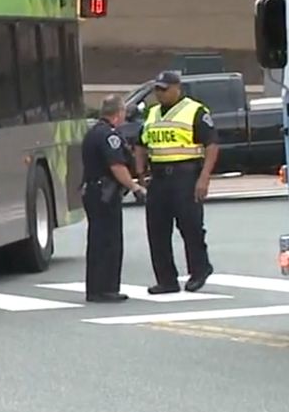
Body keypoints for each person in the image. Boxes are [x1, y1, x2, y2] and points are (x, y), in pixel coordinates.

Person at [134, 70, 219, 294]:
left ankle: (200, 270)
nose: (159, 94)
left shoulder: (195, 111)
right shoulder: (152, 114)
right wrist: (141, 172)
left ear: (176, 88)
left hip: (186, 175)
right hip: (159, 178)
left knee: (190, 227)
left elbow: (211, 145)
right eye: (157, 90)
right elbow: (141, 144)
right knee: (157, 230)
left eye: (163, 89)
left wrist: (204, 178)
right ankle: (166, 280)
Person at [81, 95, 147, 302]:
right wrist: (134, 186)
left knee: (97, 241)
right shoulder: (110, 136)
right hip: (105, 194)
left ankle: (95, 288)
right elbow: (117, 167)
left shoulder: (93, 133)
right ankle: (106, 288)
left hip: (93, 191)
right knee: (109, 241)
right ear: (119, 113)